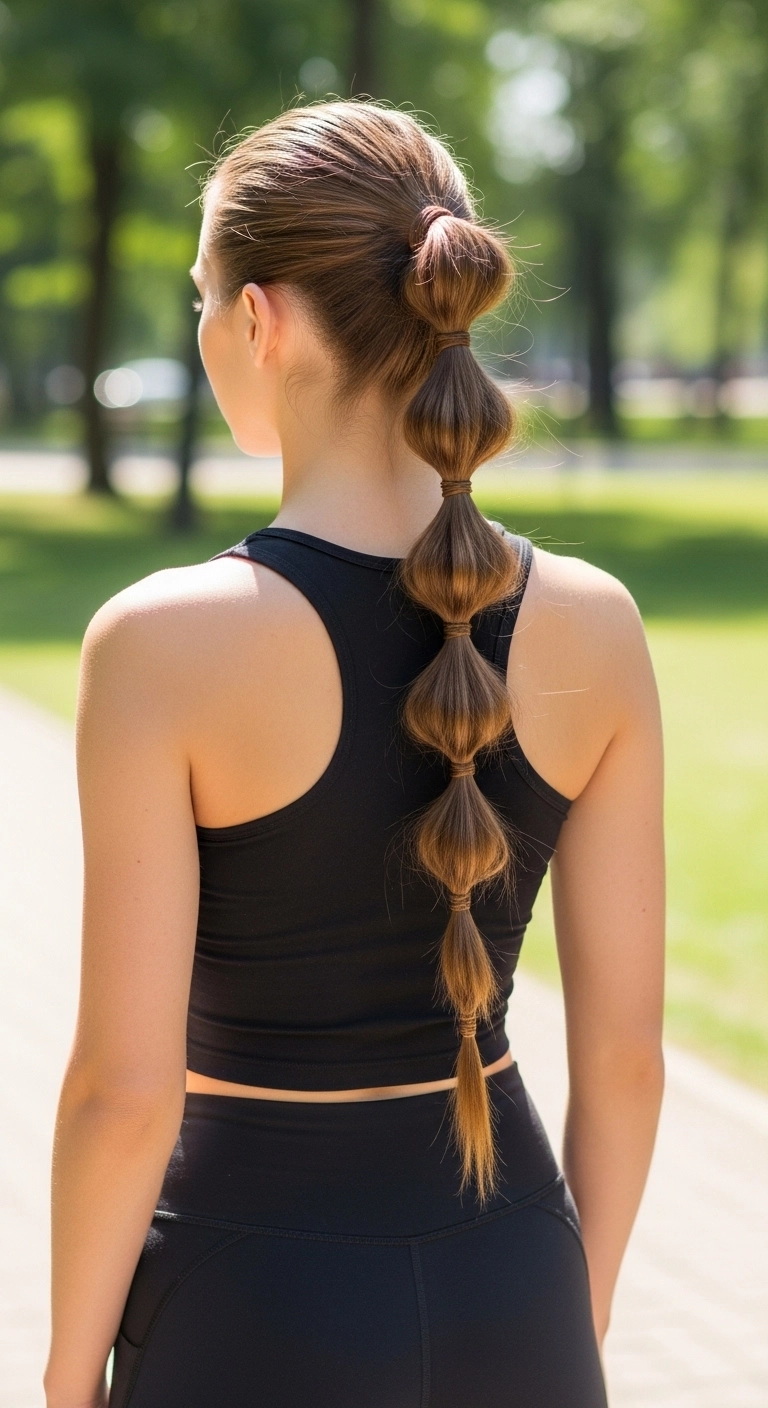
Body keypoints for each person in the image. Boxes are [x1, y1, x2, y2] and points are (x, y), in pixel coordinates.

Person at [44, 102, 664, 1408]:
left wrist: (62, 1374)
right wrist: (570, 1318)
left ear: (259, 321)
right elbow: (623, 1063)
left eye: (203, 298)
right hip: (519, 1287)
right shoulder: (599, 624)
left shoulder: (161, 643)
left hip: (247, 1305)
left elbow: (124, 1091)